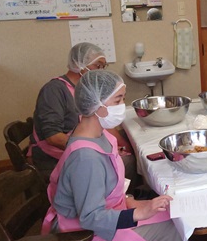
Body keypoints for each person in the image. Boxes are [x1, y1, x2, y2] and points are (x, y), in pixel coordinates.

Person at [41, 70, 201, 241]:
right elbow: (91, 217)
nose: (121, 106)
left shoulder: (97, 134)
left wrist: (130, 201)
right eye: (117, 100)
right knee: (167, 231)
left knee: (169, 213)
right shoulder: (86, 158)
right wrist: (137, 213)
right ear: (97, 106)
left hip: (94, 222)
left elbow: (103, 190)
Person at [30, 42, 134, 182]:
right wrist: (98, 150)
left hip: (88, 142)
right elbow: (53, 137)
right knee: (126, 162)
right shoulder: (54, 90)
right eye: (98, 66)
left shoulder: (87, 90)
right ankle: (121, 193)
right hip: (56, 157)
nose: (101, 71)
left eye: (104, 67)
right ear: (79, 64)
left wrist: (124, 146)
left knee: (130, 142)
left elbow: (101, 122)